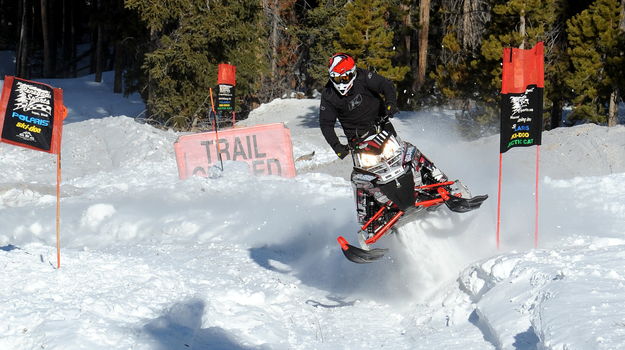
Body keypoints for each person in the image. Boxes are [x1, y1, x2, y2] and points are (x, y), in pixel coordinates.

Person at [318, 53, 448, 224]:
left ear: (353, 72)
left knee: (408, 153)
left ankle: (439, 181)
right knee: (361, 178)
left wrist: (390, 104)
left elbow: (385, 85)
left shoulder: (364, 77)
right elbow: (326, 124)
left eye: (346, 77)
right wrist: (337, 147)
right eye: (338, 79)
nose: (342, 83)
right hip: (358, 143)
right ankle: (368, 220)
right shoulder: (329, 95)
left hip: (382, 128)